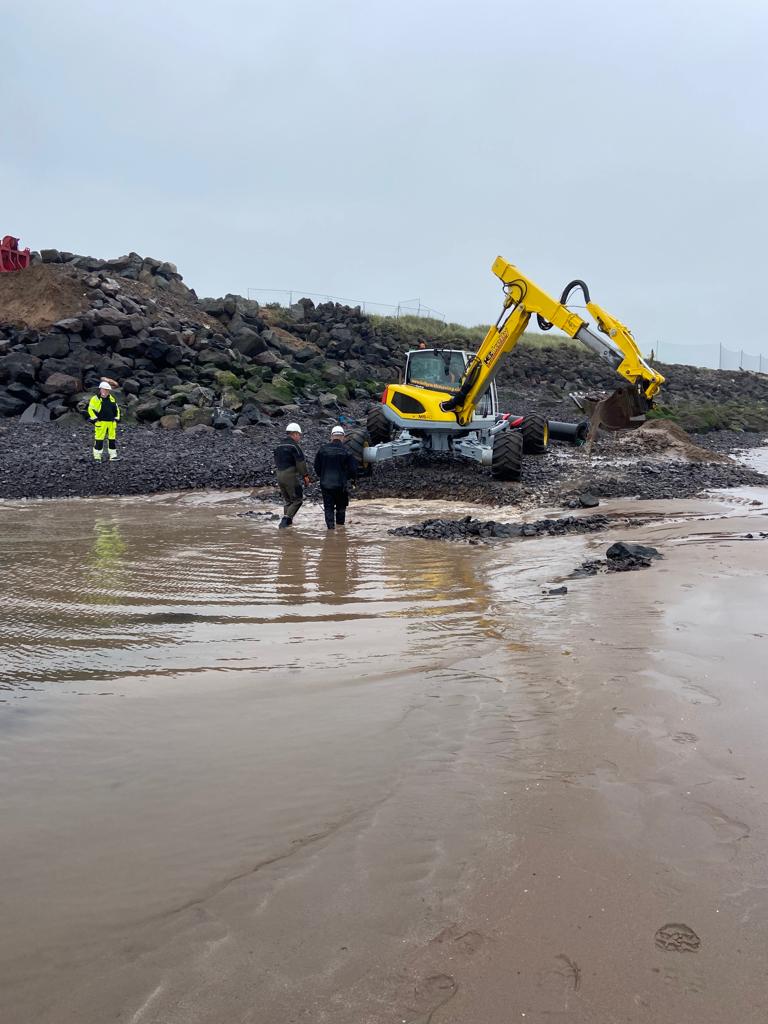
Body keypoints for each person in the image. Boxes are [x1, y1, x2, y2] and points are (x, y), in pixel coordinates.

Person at [314, 425, 359, 530]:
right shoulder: (347, 451)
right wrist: (351, 480)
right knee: (341, 508)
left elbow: (316, 467)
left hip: (326, 484)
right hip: (340, 485)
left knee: (328, 508)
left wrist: (322, 476)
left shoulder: (322, 450)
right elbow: (353, 469)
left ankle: (330, 531)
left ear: (331, 437)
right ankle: (340, 530)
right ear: (343, 437)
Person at [273, 422, 310, 529]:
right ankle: (285, 521)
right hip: (290, 475)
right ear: (294, 434)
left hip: (279, 475)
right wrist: (305, 476)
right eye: (299, 435)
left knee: (288, 501)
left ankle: (288, 525)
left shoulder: (278, 446)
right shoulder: (294, 446)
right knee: (297, 499)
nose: (300, 437)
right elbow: (300, 463)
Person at [87, 381, 121, 461]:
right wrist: (95, 419)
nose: (105, 391)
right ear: (100, 389)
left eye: (107, 390)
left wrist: (116, 418)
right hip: (101, 422)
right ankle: (97, 457)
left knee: (112, 440)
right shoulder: (95, 399)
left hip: (111, 423)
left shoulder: (112, 398)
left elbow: (117, 409)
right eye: (104, 389)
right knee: (99, 440)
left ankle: (113, 456)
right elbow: (90, 409)